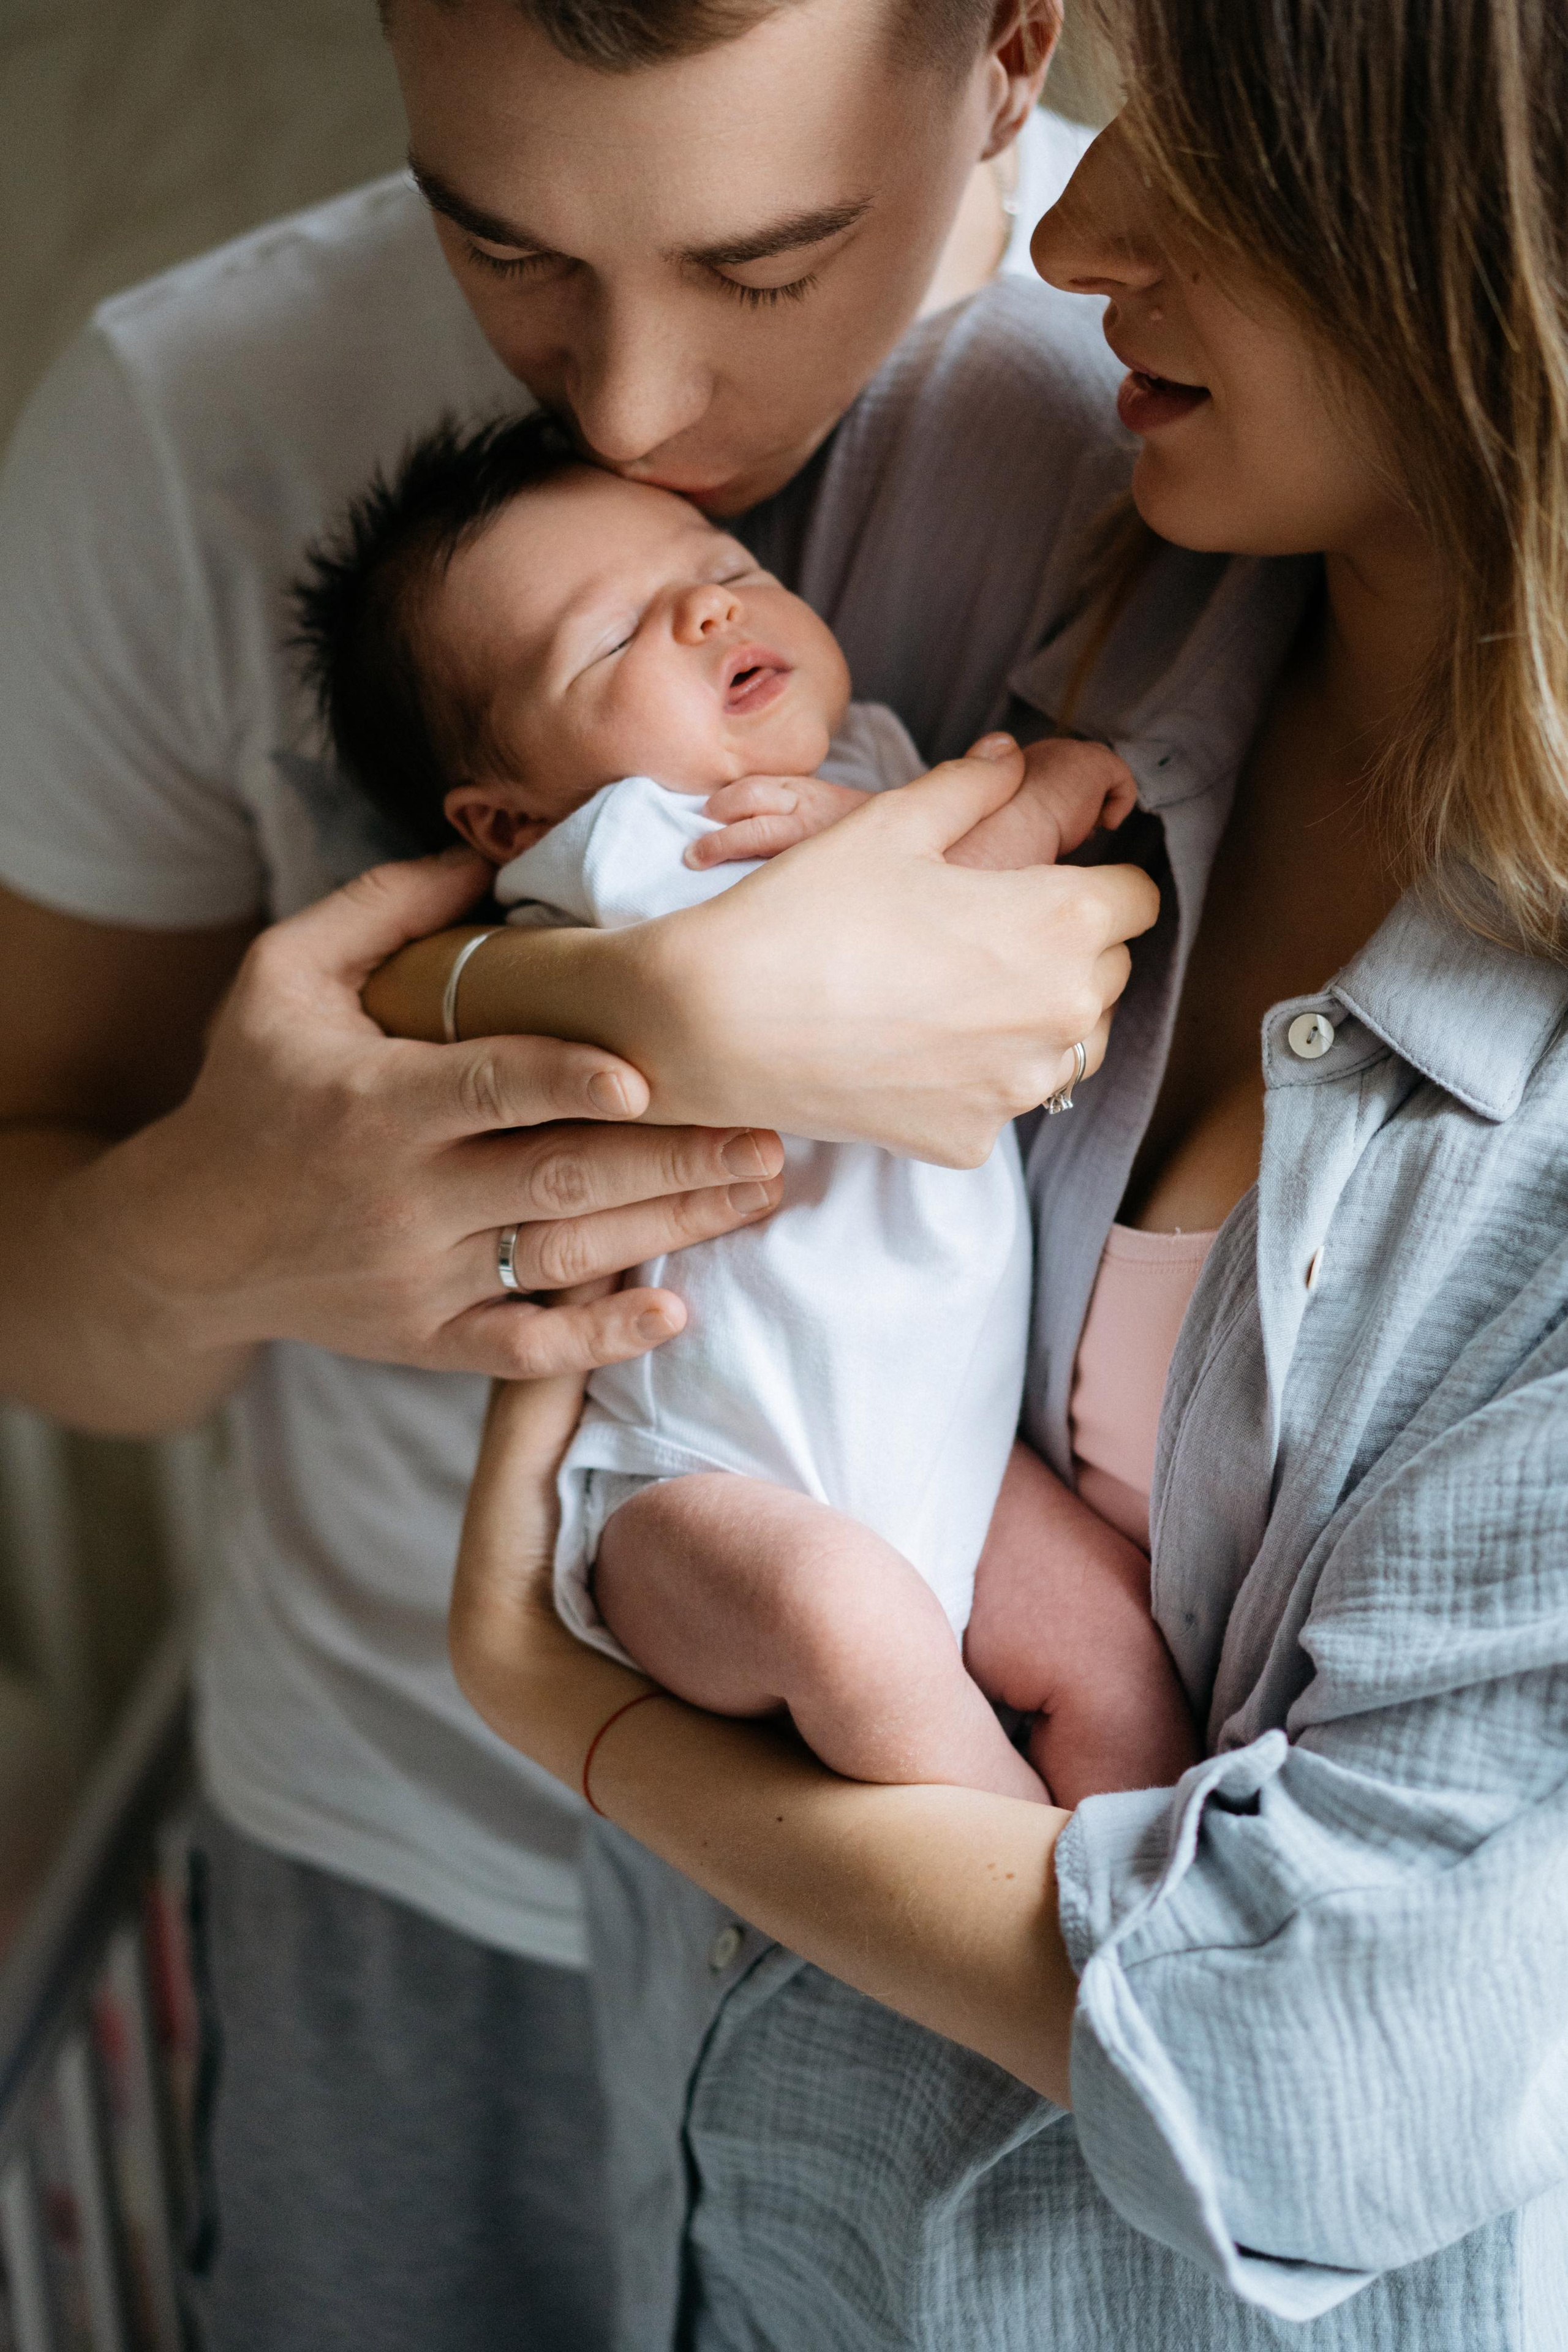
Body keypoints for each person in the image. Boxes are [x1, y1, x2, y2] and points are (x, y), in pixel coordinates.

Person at [0, 0, 1156, 2340]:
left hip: (973, 1745)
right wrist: (282, 1188)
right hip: (428, 1869)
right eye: (495, 238)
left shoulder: (1205, 363)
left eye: (767, 257)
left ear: (1018, 46)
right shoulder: (186, 418)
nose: (629, 420)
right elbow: (53, 1283)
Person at [440, 0, 1568, 2344]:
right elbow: (401, 959)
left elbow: (1319, 2087)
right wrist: (639, 1011)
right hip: (768, 2225)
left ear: (1494, 243)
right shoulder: (1071, 524)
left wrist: (580, 1726)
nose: (1064, 229)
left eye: (1217, 163)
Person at [295, 412, 1190, 1806]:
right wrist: (1038, 794)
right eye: (612, 640)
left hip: (953, 1462)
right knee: (844, 1622)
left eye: (718, 566)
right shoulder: (614, 852)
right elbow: (893, 904)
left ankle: (1141, 1916)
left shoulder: (884, 760)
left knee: (1117, 1654)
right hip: (695, 1492)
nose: (708, 605)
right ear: (503, 822)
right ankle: (1008, 1906)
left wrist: (997, 790)